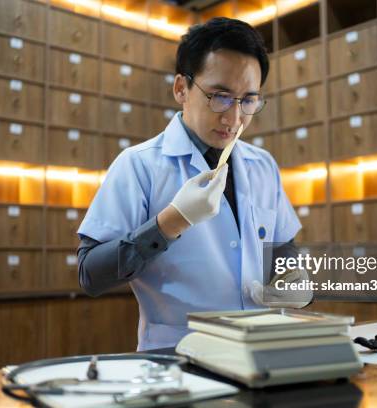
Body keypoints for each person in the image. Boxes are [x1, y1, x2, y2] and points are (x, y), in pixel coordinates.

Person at [77, 17, 312, 351]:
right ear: (180, 89)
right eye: (220, 97)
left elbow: (283, 250)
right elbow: (90, 275)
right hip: (178, 357)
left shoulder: (263, 165)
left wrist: (293, 279)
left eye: (248, 100)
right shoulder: (139, 165)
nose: (234, 118)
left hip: (263, 352)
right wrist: (171, 222)